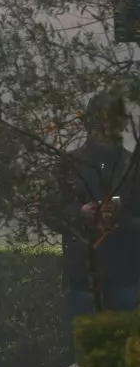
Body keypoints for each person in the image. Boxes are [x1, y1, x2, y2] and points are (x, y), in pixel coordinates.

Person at [60, 92, 140, 319]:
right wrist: (80, 214)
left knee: (124, 349)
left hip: (125, 275)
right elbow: (51, 212)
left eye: (112, 122)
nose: (106, 129)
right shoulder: (70, 163)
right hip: (82, 277)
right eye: (102, 121)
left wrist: (120, 220)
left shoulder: (132, 167)